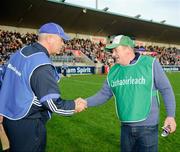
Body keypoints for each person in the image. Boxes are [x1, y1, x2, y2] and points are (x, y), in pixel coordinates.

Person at [0, 22, 86, 152]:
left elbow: (3, 79)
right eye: (61, 40)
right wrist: (74, 106)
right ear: (50, 38)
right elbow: (52, 103)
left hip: (9, 118)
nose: (63, 44)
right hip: (27, 123)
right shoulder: (41, 64)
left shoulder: (20, 52)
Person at [81, 35, 176, 152]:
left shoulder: (150, 64)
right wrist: (85, 102)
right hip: (125, 128)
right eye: (112, 51)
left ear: (128, 49)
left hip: (148, 128)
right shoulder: (114, 71)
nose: (113, 54)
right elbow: (104, 94)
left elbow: (166, 89)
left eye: (116, 50)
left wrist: (170, 116)